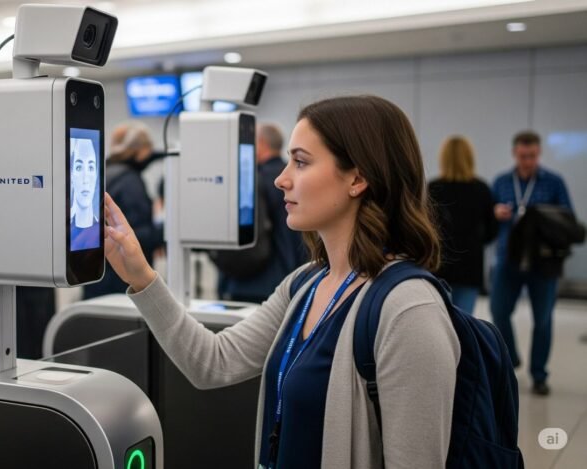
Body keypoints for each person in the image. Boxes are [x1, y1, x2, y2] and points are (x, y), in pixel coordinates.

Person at [104, 95, 458, 468]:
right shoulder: (304, 285)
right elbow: (212, 362)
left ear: (357, 178)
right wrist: (141, 276)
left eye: (301, 162)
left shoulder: (408, 311)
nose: (280, 178)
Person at [490, 130, 573, 396]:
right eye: (524, 156)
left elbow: (568, 218)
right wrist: (495, 213)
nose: (528, 161)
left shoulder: (553, 182)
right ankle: (510, 357)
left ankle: (539, 375)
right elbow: (487, 219)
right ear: (515, 154)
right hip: (508, 257)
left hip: (543, 262)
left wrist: (544, 218)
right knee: (498, 311)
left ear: (539, 154)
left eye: (533, 156)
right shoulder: (502, 182)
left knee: (543, 319)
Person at [213, 123, 307, 304]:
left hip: (251, 284)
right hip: (294, 278)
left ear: (261, 143)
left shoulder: (251, 180)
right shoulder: (297, 179)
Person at [83, 122, 163, 299]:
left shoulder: (102, 172)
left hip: (97, 274)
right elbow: (138, 235)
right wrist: (166, 230)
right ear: (141, 150)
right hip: (120, 280)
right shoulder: (130, 182)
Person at [428, 136, 497, 314]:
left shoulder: (434, 188)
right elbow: (492, 232)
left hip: (439, 265)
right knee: (464, 323)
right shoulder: (481, 189)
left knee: (440, 321)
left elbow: (425, 228)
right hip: (471, 265)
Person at [70, 136, 100, 251]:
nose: (85, 179)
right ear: (72, 175)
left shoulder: (102, 231)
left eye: (91, 167)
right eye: (79, 167)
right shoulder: (63, 229)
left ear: (96, 175)